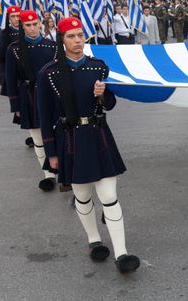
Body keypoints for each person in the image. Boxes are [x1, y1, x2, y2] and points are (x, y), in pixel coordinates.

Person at [37, 17, 140, 273]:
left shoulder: (98, 67)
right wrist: (51, 154)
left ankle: (122, 253)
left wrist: (103, 95)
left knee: (109, 196)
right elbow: (45, 116)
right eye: (71, 36)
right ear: (62, 40)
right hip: (70, 139)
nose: (78, 40)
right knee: (82, 197)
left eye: (80, 35)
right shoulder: (48, 73)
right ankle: (94, 241)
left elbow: (110, 104)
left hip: (98, 135)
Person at [4, 10, 59, 192]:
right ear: (22, 26)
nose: (33, 28)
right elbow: (10, 79)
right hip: (28, 97)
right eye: (28, 25)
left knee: (58, 134)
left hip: (52, 96)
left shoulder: (53, 47)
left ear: (40, 24)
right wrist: (15, 105)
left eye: (35, 24)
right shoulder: (14, 49)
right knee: (38, 137)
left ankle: (64, 171)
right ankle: (49, 176)